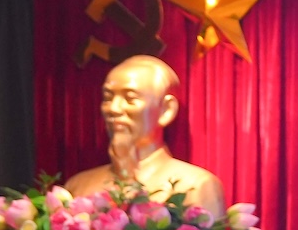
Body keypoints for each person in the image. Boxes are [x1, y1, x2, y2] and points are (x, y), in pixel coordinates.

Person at [65, 55, 226, 214]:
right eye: (108, 98)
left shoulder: (196, 186)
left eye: (130, 98)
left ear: (166, 110)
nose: (113, 109)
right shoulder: (78, 186)